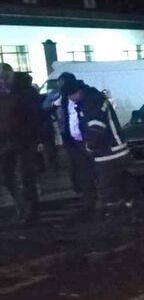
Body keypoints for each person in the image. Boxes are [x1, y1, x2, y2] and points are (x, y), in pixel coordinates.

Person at [61, 79, 132, 218]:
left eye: (71, 96)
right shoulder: (91, 98)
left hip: (109, 152)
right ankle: (130, 210)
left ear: (77, 92)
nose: (71, 99)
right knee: (120, 184)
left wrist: (89, 146)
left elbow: (96, 129)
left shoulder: (91, 102)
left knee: (108, 187)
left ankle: (116, 216)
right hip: (113, 151)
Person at [0, 63, 43, 223]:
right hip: (5, 141)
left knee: (26, 176)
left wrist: (37, 138)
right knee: (7, 176)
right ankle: (22, 206)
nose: (2, 82)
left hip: (24, 141)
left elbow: (36, 116)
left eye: (4, 79)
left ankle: (31, 210)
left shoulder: (25, 92)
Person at [53, 73, 98, 218]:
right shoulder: (63, 99)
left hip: (87, 140)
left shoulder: (87, 97)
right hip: (73, 141)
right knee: (81, 173)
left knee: (94, 171)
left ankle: (98, 200)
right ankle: (89, 201)